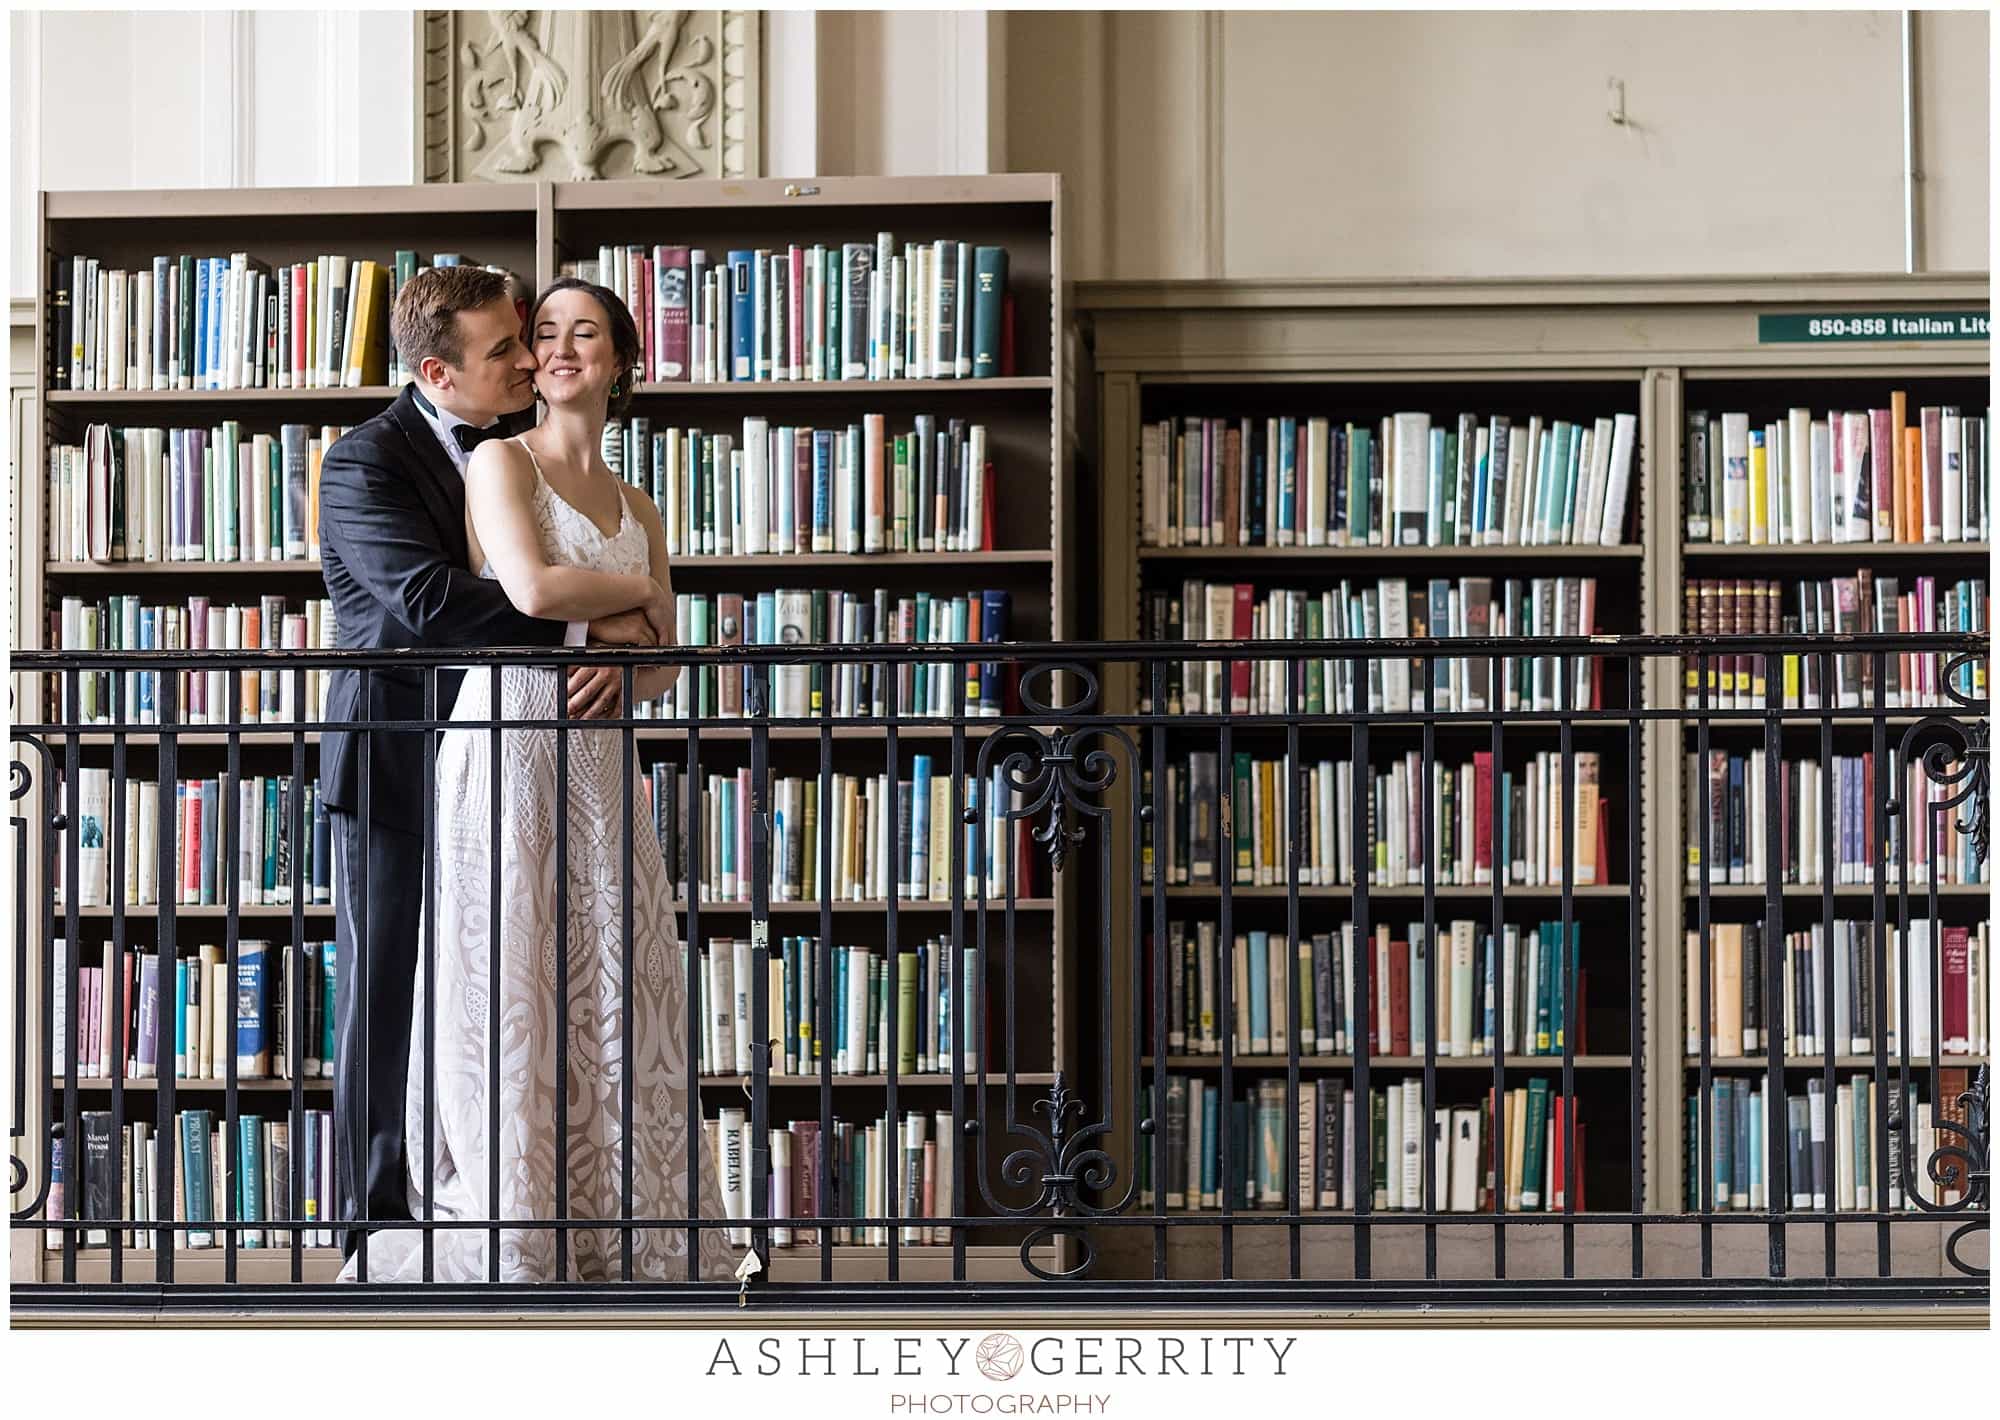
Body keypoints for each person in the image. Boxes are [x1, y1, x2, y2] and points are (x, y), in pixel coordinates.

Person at [334, 275, 739, 1282]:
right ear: (440, 371)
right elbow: (435, 602)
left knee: (591, 973)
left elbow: (658, 658)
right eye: (514, 345)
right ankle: (384, 1229)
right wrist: (611, 611)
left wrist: (622, 641)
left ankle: (594, 1201)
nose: (531, 358)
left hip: (585, 760)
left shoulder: (608, 486)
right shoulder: (375, 460)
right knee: (408, 995)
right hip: (410, 748)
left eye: (551, 338)